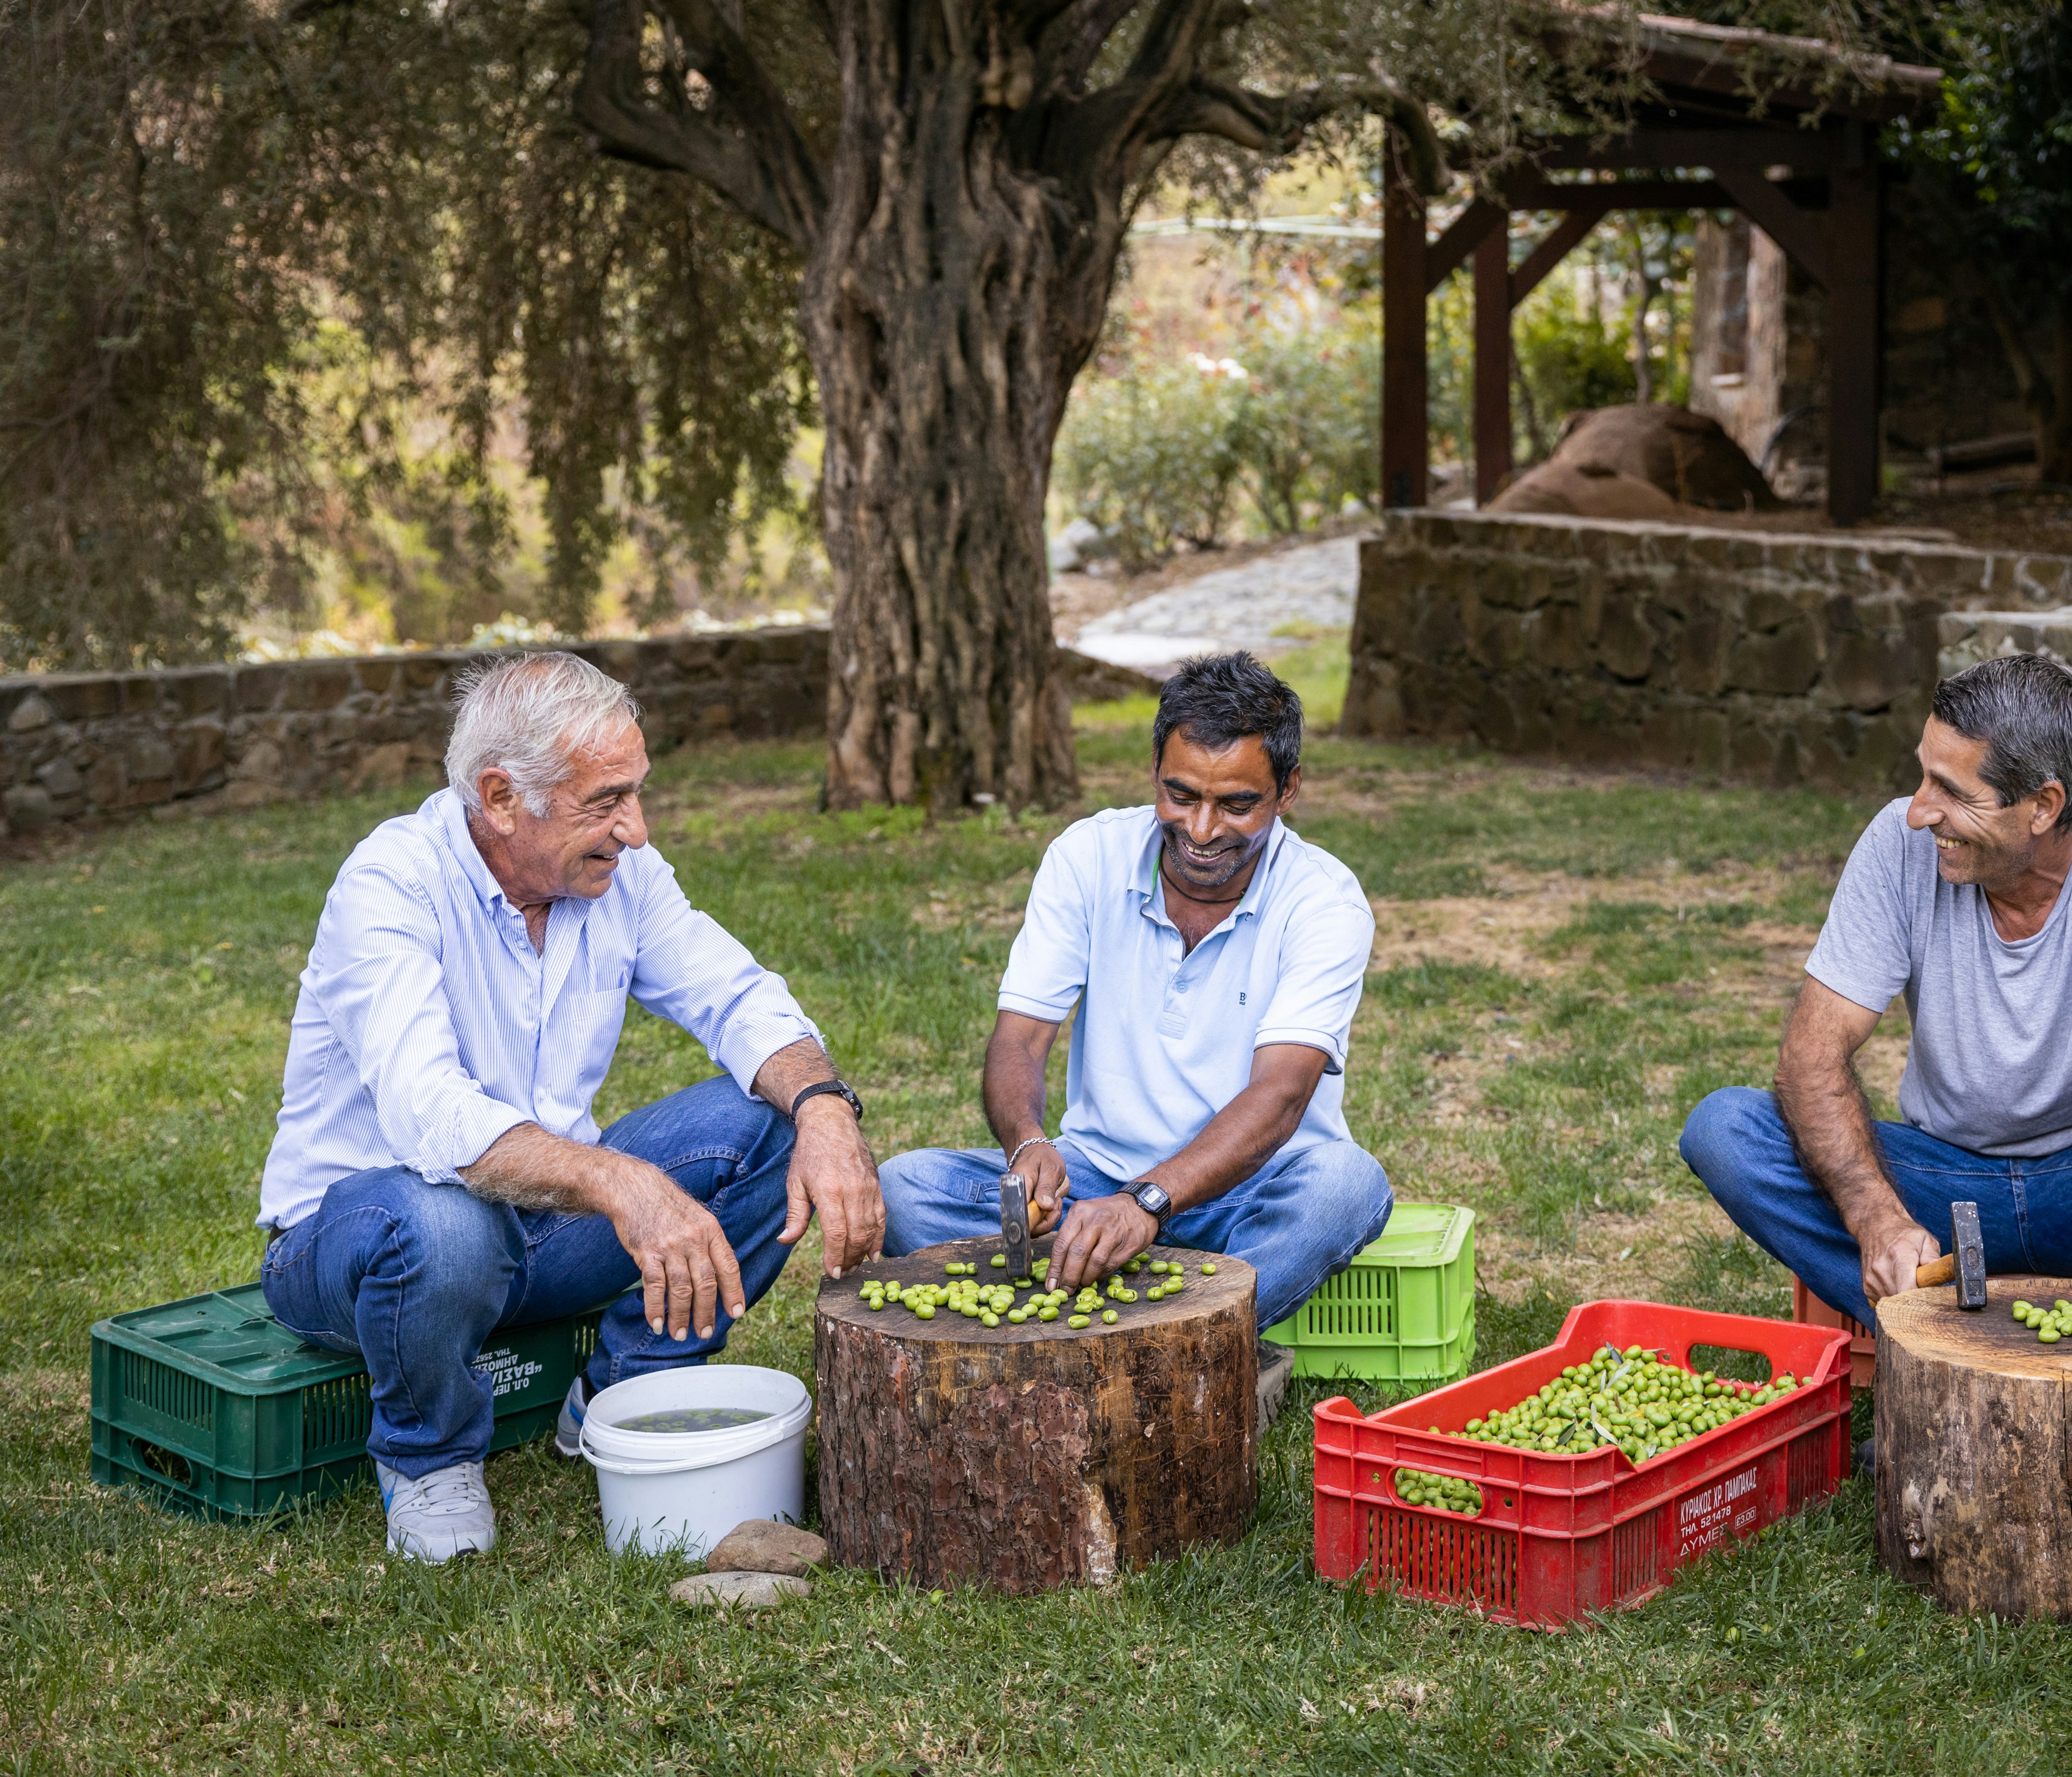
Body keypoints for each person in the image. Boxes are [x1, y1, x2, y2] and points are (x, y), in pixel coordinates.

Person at [256, 652, 884, 1562]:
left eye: (637, 792)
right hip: (361, 1244)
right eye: (606, 801)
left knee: (778, 1123)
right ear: (501, 797)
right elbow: (432, 1116)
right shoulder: (390, 883)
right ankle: (428, 1453)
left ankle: (621, 1388)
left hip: (540, 1229)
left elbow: (736, 997)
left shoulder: (621, 873)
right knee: (443, 1223)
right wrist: (622, 1182)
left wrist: (825, 1106)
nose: (636, 828)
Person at [1680, 651, 2072, 1357]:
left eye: (1953, 792)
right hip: (1944, 1188)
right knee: (1725, 1130)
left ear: (2042, 806)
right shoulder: (1898, 846)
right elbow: (1810, 1057)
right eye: (1923, 776)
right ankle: (1946, 1343)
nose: (1919, 812)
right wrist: (1878, 1220)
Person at [879, 652, 1392, 1333]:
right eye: (1181, 796)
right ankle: (1179, 1320)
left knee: (1344, 1187)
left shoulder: (1324, 903)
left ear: (1287, 789)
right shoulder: (1086, 856)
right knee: (905, 1187)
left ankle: (1133, 1333)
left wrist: (1148, 1204)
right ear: (1154, 769)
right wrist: (1027, 1145)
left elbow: (1280, 1096)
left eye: (1236, 804)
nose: (1202, 830)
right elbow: (1019, 1038)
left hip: (1252, 1193)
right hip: (1095, 1180)